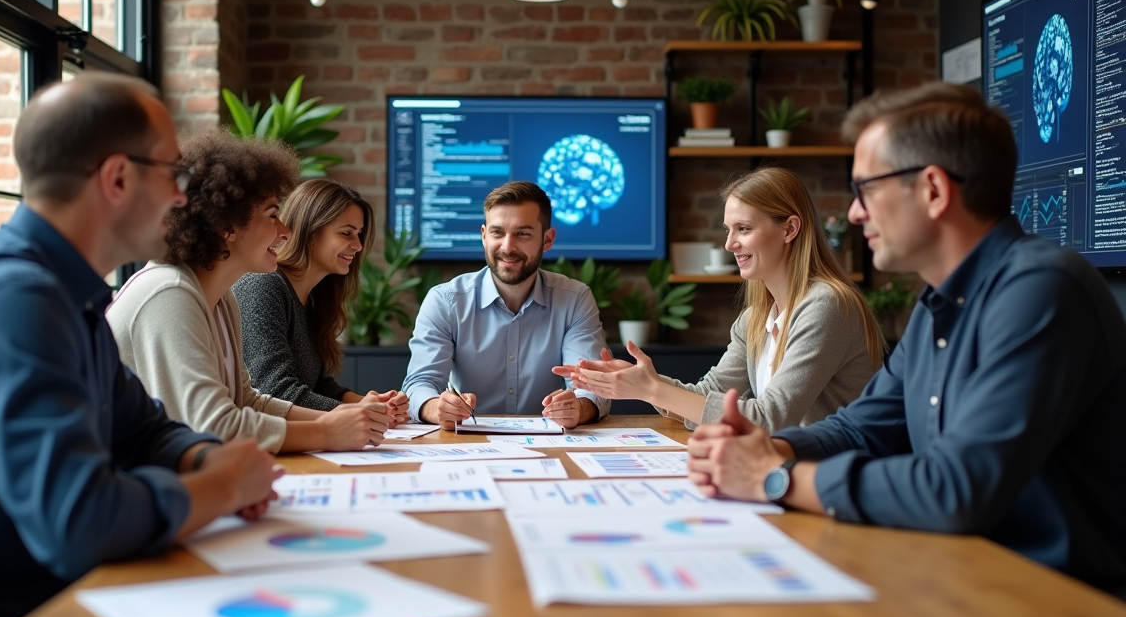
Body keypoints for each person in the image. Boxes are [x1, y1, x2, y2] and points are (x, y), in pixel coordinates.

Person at [687, 82, 1126, 597]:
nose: (853, 213)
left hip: (1061, 606)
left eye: (866, 189)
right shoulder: (937, 304)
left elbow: (957, 488)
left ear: (934, 191)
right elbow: (860, 429)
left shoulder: (1041, 291)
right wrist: (767, 445)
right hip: (967, 580)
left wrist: (774, 476)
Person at [0, 74, 280, 617]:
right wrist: (220, 490)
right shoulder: (13, 303)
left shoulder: (66, 294)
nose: (181, 196)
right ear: (117, 178)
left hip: (59, 601)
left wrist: (202, 459)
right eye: (174, 175)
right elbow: (79, 523)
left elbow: (143, 428)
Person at [108, 131, 394, 453]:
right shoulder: (168, 293)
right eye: (273, 215)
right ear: (226, 225)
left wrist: (341, 419)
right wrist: (325, 432)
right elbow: (214, 426)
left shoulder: (222, 300)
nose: (285, 232)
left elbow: (247, 401)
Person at [557, 166, 883, 432]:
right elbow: (706, 398)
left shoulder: (826, 305)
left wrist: (650, 388)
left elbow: (769, 419)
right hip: (790, 470)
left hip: (837, 482)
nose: (729, 244)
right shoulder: (755, 318)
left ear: (789, 229)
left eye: (743, 229)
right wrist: (640, 381)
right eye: (728, 230)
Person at [403, 181, 610, 430]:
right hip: (468, 443)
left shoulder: (575, 299)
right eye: (497, 233)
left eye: (522, 233)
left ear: (547, 239)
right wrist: (436, 408)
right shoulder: (445, 301)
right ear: (483, 235)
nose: (508, 247)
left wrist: (578, 408)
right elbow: (419, 384)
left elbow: (591, 387)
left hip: (551, 445)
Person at [232, 179, 409, 420]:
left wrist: (375, 404)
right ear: (310, 232)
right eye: (346, 233)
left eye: (358, 234)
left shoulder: (313, 299)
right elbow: (275, 391)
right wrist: (361, 413)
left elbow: (317, 385)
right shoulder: (263, 285)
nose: (357, 246)